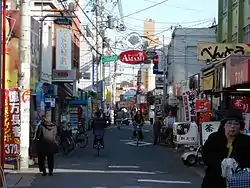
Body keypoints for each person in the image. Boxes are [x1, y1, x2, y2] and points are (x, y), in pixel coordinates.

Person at [201, 109, 250, 188]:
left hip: (238, 181)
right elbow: (206, 156)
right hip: (213, 180)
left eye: (236, 124)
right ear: (224, 125)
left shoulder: (246, 141)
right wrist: (222, 164)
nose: (232, 126)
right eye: (229, 123)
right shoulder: (214, 138)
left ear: (240, 126)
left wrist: (236, 164)